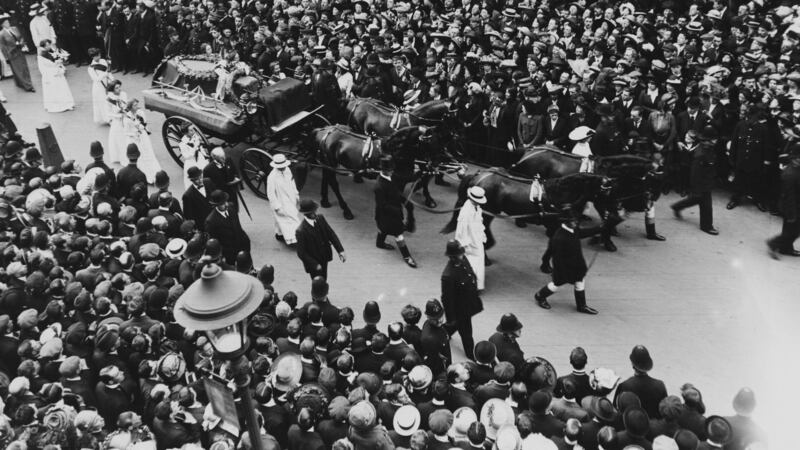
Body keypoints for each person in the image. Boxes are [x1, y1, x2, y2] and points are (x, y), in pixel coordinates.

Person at [533, 208, 600, 315]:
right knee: (556, 284)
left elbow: (583, 233)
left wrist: (600, 228)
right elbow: (557, 259)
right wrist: (561, 273)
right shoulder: (559, 238)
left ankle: (581, 306)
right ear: (565, 222)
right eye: (573, 221)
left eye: (576, 220)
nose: (576, 222)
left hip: (577, 265)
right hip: (565, 268)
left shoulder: (572, 229)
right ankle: (540, 296)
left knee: (580, 281)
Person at [671, 126, 720, 235]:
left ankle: (676, 207)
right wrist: (696, 188)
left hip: (706, 181)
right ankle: (706, 226)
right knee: (706, 204)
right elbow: (694, 173)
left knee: (695, 199)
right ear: (708, 140)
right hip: (701, 184)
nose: (716, 140)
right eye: (714, 139)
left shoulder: (708, 148)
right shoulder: (700, 154)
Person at [440, 239, 483, 361]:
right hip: (460, 310)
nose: (462, 255)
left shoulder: (463, 260)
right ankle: (472, 354)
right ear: (452, 257)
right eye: (459, 254)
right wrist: (451, 317)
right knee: (467, 333)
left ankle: (444, 332)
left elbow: (471, 276)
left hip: (468, 303)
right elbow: (446, 299)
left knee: (455, 326)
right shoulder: (448, 275)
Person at [374, 156, 417, 268]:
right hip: (388, 214)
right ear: (384, 170)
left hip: (390, 213)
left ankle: (379, 243)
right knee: (398, 234)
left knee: (383, 229)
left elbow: (396, 192)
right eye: (390, 170)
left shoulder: (391, 178)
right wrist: (397, 210)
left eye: (392, 169)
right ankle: (407, 256)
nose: (392, 172)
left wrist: (405, 201)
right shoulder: (379, 186)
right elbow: (382, 205)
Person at [295, 198, 346, 279]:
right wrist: (315, 264)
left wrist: (340, 250)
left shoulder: (321, 218)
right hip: (314, 264)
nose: (315, 214)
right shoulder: (301, 231)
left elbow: (331, 234)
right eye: (312, 213)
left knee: (324, 279)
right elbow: (301, 253)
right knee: (318, 285)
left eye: (315, 211)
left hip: (324, 258)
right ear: (306, 214)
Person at [767, 143, 800, 258]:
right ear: (792, 159)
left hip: (794, 205)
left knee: (789, 229)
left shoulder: (796, 169)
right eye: (797, 158)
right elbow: (790, 197)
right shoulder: (790, 174)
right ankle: (773, 244)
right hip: (791, 207)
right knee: (793, 231)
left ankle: (786, 249)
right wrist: (792, 214)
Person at [205, 189, 251, 265]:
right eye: (222, 203)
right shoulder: (211, 221)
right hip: (230, 255)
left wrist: (246, 242)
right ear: (216, 205)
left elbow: (238, 227)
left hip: (242, 247)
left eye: (226, 201)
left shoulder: (231, 207)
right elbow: (216, 244)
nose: (226, 204)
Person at [454, 186, 487, 291]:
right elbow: (461, 229)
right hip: (469, 241)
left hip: (476, 238)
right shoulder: (466, 210)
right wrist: (463, 243)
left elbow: (479, 222)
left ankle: (476, 284)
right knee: (472, 262)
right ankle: (471, 284)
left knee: (478, 260)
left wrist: (481, 235)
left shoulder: (476, 208)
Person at [123, 98, 161, 183]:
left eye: (137, 104)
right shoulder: (126, 118)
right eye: (135, 105)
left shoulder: (140, 113)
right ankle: (144, 176)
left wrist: (143, 129)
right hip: (134, 138)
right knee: (141, 157)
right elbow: (126, 132)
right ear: (130, 107)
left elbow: (144, 123)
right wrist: (134, 134)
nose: (137, 106)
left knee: (148, 154)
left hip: (143, 136)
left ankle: (153, 174)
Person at [266, 153, 301, 245]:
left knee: (281, 220)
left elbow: (292, 183)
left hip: (291, 199)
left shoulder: (287, 170)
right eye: (281, 167)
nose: (283, 168)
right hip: (281, 201)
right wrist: (277, 207)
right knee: (291, 220)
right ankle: (294, 239)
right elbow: (271, 194)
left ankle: (279, 234)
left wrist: (296, 194)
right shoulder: (272, 177)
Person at [36, 38, 75, 112]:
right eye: (47, 45)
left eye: (49, 44)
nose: (49, 46)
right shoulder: (42, 55)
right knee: (56, 90)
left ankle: (67, 104)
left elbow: (54, 59)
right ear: (44, 46)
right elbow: (46, 66)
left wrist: (59, 61)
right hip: (51, 75)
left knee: (62, 88)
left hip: (55, 72)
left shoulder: (48, 52)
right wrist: (57, 63)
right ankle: (60, 106)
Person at [0, 14, 35, 92]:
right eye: (6, 22)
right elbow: (3, 47)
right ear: (2, 24)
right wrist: (6, 58)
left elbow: (21, 37)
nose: (8, 23)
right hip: (12, 54)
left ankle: (20, 83)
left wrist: (22, 43)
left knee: (24, 68)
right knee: (19, 70)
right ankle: (28, 86)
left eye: (8, 22)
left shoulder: (14, 28)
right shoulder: (1, 34)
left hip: (20, 51)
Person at [88, 47, 113, 124]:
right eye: (96, 56)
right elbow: (96, 79)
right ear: (92, 57)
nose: (98, 57)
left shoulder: (103, 61)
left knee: (111, 100)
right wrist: (105, 73)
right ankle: (108, 119)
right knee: (103, 103)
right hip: (99, 87)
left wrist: (112, 80)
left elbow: (109, 72)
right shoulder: (91, 68)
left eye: (99, 55)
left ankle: (113, 116)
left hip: (107, 83)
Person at [106, 79, 128, 164]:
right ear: (112, 90)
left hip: (125, 118)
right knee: (120, 139)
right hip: (117, 121)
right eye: (117, 88)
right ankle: (122, 157)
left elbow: (126, 105)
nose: (119, 89)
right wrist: (118, 115)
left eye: (119, 87)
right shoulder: (108, 99)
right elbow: (108, 113)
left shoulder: (123, 94)